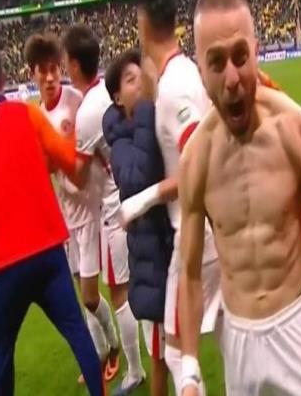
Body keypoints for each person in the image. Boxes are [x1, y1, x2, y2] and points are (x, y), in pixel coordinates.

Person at [178, 0, 301, 396]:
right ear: (200, 70)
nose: (232, 79)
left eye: (240, 57)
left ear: (256, 52)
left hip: (296, 329)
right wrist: (189, 369)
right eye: (216, 62)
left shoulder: (296, 131)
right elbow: (189, 274)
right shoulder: (196, 159)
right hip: (238, 340)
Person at [0, 39, 104, 396]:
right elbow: (69, 160)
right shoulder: (28, 114)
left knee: (1, 351)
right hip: (48, 252)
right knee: (77, 333)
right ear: (3, 78)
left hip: (7, 264)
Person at [117, 0, 221, 394]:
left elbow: (198, 165)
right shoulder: (181, 74)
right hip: (210, 232)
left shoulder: (175, 87)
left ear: (142, 23)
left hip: (195, 237)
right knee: (225, 343)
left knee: (179, 354)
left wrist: (142, 200)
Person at [62, 24, 145, 393]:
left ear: (74, 65)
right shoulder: (102, 95)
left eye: (65, 61)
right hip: (126, 198)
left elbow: (78, 179)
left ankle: (135, 371)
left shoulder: (86, 114)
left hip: (115, 209)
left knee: (120, 294)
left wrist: (53, 159)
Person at [24, 33, 110, 369]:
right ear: (32, 73)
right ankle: (101, 354)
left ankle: (114, 345)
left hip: (90, 207)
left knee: (89, 296)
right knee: (80, 295)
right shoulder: (35, 116)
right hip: (65, 215)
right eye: (42, 71)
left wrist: (54, 156)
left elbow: (84, 151)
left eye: (54, 69)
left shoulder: (76, 101)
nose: (49, 77)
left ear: (61, 69)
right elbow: (43, 167)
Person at [103, 49, 175, 396]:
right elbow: (137, 180)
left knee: (182, 352)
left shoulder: (157, 119)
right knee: (162, 357)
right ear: (118, 98)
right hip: (153, 260)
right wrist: (146, 108)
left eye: (141, 77)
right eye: (131, 80)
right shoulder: (120, 141)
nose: (141, 84)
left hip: (172, 249)